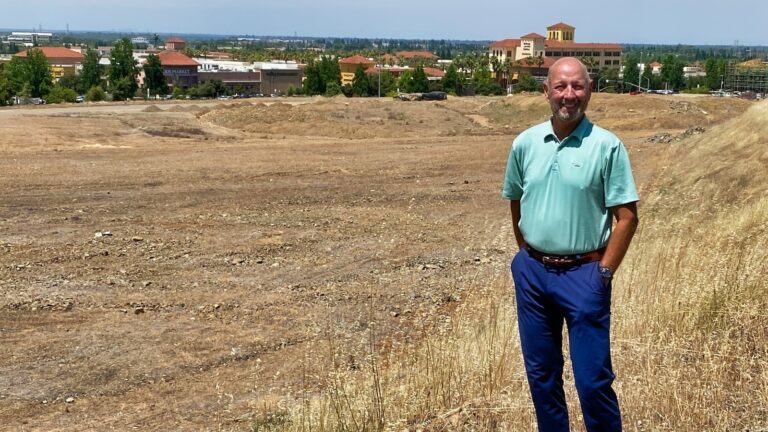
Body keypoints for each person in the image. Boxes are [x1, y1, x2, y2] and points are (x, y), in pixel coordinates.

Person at [501, 57, 639, 432]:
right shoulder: (525, 143)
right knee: (542, 377)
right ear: (546, 91)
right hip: (533, 276)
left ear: (589, 90)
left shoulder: (607, 146)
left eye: (577, 86)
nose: (569, 95)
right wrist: (525, 257)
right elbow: (516, 201)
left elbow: (627, 218)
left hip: (584, 275)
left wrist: (603, 273)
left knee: (593, 382)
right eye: (560, 87)